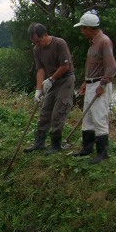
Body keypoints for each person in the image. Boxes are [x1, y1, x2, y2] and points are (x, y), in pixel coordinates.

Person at [23, 23, 76, 155]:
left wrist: (51, 79)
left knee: (58, 112)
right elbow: (40, 70)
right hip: (51, 82)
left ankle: (55, 144)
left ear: (45, 35)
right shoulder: (37, 49)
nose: (37, 44)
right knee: (45, 112)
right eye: (34, 42)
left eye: (39, 41)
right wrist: (39, 89)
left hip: (65, 80)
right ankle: (39, 143)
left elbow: (65, 66)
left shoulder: (59, 44)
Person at [72, 11, 116, 164]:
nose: (81, 31)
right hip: (91, 83)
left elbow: (111, 67)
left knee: (99, 117)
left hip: (100, 84)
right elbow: (92, 66)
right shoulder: (92, 42)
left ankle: (102, 153)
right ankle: (87, 148)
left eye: (83, 28)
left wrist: (103, 84)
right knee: (88, 116)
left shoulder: (104, 41)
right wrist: (85, 82)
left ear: (89, 28)